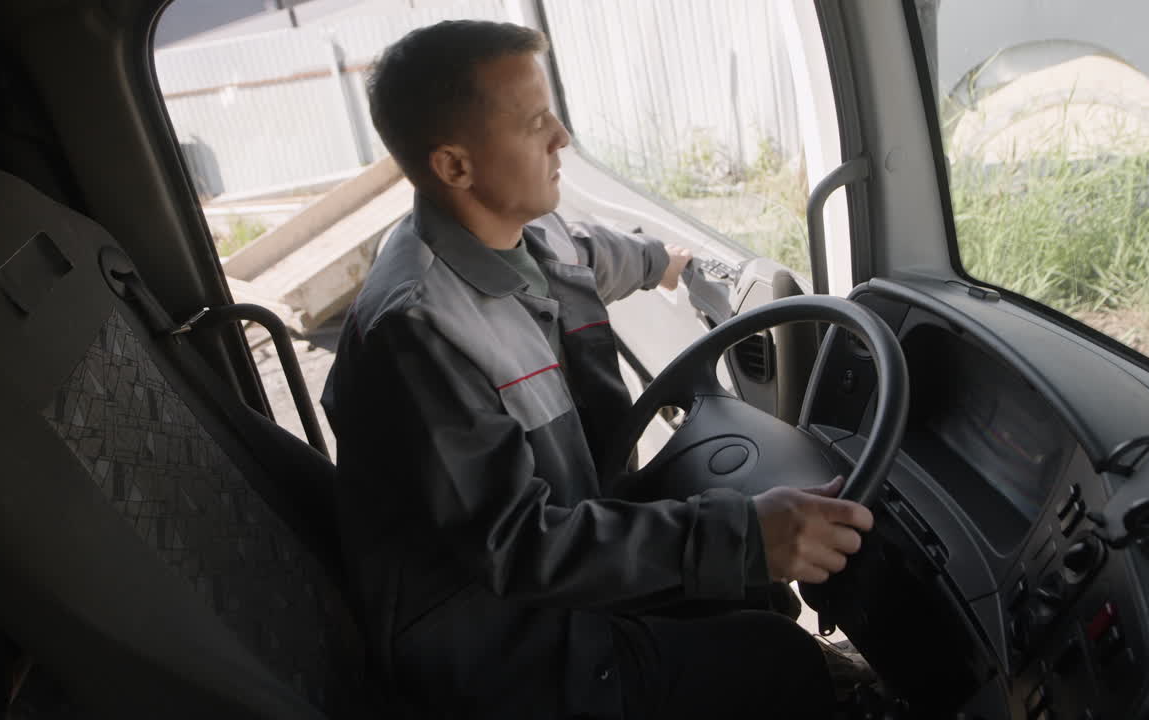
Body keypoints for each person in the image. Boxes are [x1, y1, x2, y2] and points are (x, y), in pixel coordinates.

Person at [321, 19, 874, 720]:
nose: (562, 138)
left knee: (751, 590)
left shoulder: (524, 231)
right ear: (455, 166)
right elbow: (517, 548)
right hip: (501, 645)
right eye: (536, 124)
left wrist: (664, 262)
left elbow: (585, 255)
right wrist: (743, 534)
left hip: (558, 564)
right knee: (779, 656)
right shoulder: (420, 330)